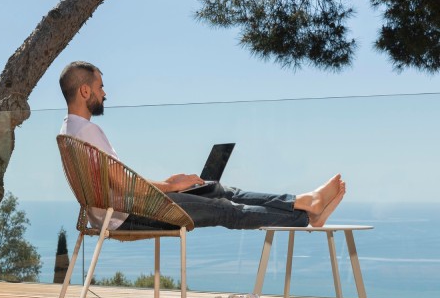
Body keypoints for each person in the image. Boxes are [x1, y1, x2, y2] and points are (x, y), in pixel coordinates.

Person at [58, 61, 346, 231]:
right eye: (100, 87)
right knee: (224, 208)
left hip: (119, 209)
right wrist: (171, 186)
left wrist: (170, 182)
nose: (104, 93)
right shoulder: (88, 132)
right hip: (126, 214)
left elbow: (115, 182)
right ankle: (304, 214)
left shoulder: (69, 131)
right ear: (85, 91)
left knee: (216, 188)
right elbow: (120, 182)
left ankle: (303, 203)